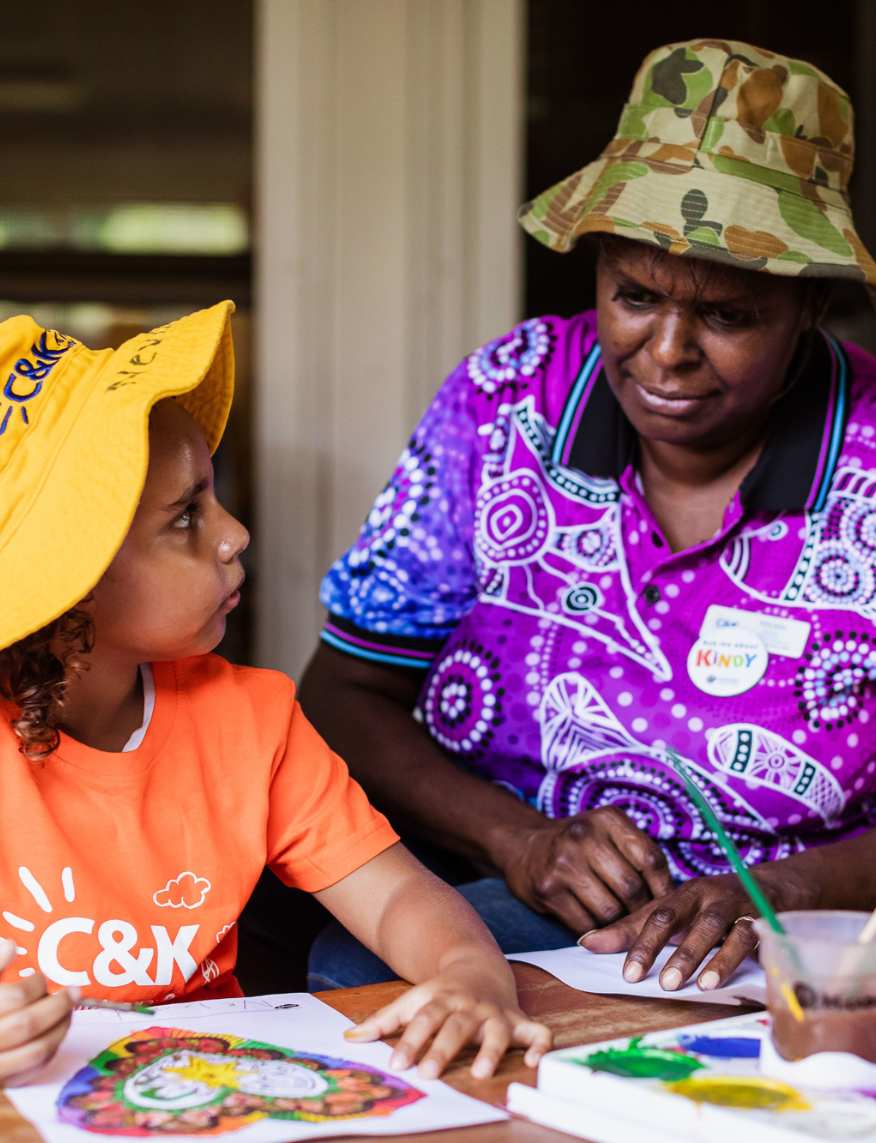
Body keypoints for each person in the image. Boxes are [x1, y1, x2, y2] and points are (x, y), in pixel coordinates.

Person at [300, 38, 876, 994]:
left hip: (806, 927)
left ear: (809, 306)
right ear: (599, 268)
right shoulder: (505, 402)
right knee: (361, 965)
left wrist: (783, 888)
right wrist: (518, 838)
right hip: (519, 898)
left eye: (727, 316)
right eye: (635, 297)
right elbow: (341, 694)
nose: (667, 353)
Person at [0, 304, 551, 1086]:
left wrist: (470, 974)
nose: (234, 534)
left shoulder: (253, 718)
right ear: (73, 582)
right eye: (186, 516)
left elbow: (396, 899)